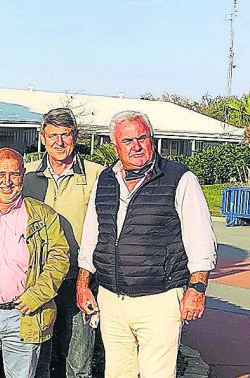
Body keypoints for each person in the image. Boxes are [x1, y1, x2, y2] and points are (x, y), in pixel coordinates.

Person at [77, 111, 216, 378]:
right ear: (115, 146)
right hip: (111, 298)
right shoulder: (105, 180)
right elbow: (92, 236)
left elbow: (201, 239)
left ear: (152, 139)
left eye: (142, 138)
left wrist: (197, 289)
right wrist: (83, 285)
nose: (136, 146)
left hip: (159, 300)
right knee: (117, 373)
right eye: (127, 141)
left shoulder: (180, 178)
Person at [0, 148, 70, 378]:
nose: (7, 182)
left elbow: (59, 258)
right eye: (0, 174)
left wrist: (36, 296)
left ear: (23, 175)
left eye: (14, 174)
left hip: (23, 316)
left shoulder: (43, 215)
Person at [23, 107, 102, 378]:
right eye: (52, 135)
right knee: (37, 361)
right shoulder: (26, 176)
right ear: (42, 138)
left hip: (79, 279)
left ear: (75, 136)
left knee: (78, 363)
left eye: (65, 135)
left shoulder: (96, 175)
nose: (59, 142)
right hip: (37, 280)